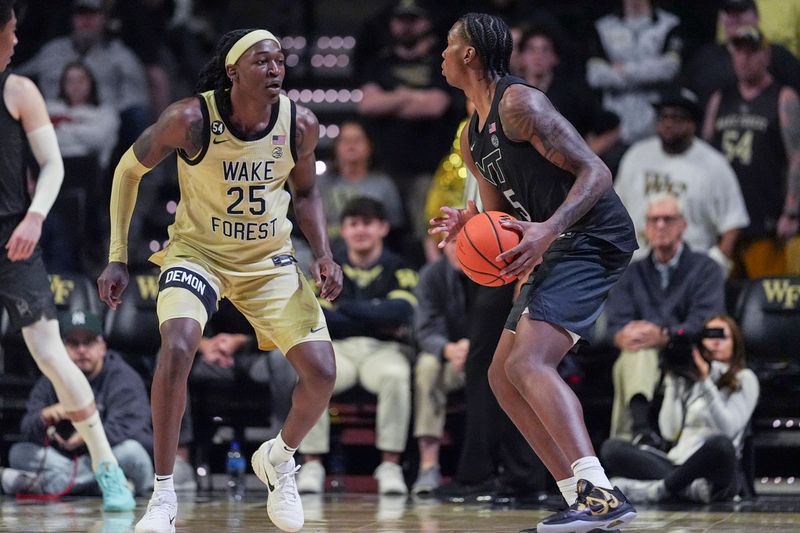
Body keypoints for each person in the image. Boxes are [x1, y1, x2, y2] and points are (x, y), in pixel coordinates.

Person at [97, 28, 343, 533]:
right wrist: (117, 255)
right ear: (233, 71)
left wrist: (324, 254)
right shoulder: (190, 119)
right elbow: (127, 170)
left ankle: (279, 457)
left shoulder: (301, 124)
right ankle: (163, 496)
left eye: (280, 61)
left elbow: (308, 194)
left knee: (321, 373)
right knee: (180, 344)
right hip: (198, 253)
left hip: (268, 260)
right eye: (262, 61)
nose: (275, 69)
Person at [435, 13, 639, 532]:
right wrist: (469, 223)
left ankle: (602, 497)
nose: (440, 53)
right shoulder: (470, 134)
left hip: (593, 235)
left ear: (469, 54)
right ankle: (580, 497)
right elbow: (498, 212)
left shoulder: (520, 104)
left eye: (448, 44)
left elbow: (597, 170)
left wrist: (549, 228)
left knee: (528, 363)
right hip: (556, 241)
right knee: (502, 376)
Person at [0, 1, 134, 512]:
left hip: (16, 235)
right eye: (11, 31)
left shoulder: (19, 89)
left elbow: (53, 165)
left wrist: (34, 217)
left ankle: (106, 469)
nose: (16, 41)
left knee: (52, 354)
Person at [296, 197, 417, 496]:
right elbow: (319, 317)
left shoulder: (398, 266)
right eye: (353, 224)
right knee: (313, 373)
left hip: (385, 349)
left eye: (368, 223)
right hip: (339, 348)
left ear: (383, 228)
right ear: (344, 230)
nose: (360, 230)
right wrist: (374, 312)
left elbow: (402, 312)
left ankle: (390, 465)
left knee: (396, 376)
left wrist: (346, 308)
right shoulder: (327, 267)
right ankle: (312, 463)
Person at [605, 194, 726, 441]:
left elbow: (707, 318)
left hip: (686, 352)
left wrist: (664, 335)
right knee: (637, 353)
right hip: (638, 354)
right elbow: (614, 324)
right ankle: (640, 434)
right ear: (646, 227)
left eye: (668, 219)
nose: (660, 226)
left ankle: (629, 440)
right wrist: (623, 336)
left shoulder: (706, 269)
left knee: (637, 354)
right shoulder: (630, 273)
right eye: (654, 220)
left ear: (683, 225)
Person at [602, 315, 760, 503]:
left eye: (722, 337)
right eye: (710, 336)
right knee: (611, 448)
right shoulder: (688, 379)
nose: (716, 342)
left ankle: (659, 489)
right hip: (677, 464)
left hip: (713, 467)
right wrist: (674, 383)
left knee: (721, 444)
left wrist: (705, 381)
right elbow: (670, 432)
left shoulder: (745, 378)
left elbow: (728, 429)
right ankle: (684, 488)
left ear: (735, 343)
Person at [2, 310, 153, 497]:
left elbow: (130, 427)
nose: (81, 350)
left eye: (88, 342)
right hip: (66, 459)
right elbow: (27, 427)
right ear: (61, 349)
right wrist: (44, 416)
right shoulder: (51, 378)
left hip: (112, 456)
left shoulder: (123, 377)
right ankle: (101, 486)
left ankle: (51, 485)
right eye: (73, 343)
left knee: (133, 452)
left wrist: (88, 436)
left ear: (102, 347)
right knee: (19, 453)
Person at [615, 87, 750, 273]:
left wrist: (715, 265)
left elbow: (733, 222)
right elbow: (616, 210)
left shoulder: (714, 165)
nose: (669, 124)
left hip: (690, 272)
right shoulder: (636, 156)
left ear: (693, 124)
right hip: (637, 268)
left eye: (677, 118)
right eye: (664, 117)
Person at [702, 25, 800, 277]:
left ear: (766, 55)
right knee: (721, 301)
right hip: (725, 221)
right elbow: (704, 156)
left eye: (752, 51)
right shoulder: (719, 99)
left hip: (766, 218)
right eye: (739, 51)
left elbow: (797, 157)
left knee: (767, 294)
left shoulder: (783, 98)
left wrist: (791, 211)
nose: (745, 57)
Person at [15, 0, 150, 147]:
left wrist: (109, 113)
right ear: (72, 19)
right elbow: (17, 77)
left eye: (92, 14)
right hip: (55, 118)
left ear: (104, 18)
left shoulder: (120, 55)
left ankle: (137, 169)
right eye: (81, 14)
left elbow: (136, 98)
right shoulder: (52, 51)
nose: (86, 20)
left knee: (136, 117)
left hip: (100, 120)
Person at [411, 237, 468, 495]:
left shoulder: (491, 271)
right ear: (444, 245)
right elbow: (424, 328)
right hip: (445, 355)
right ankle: (428, 465)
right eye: (454, 241)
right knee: (426, 367)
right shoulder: (431, 275)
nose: (459, 248)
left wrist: (473, 346)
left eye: (466, 240)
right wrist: (448, 349)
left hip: (480, 354)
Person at [586, 0, 683, 144]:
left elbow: (668, 70)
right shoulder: (603, 27)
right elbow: (596, 76)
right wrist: (648, 70)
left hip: (655, 127)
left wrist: (621, 69)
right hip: (615, 128)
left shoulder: (670, 24)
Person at [684, 0, 800, 109]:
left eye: (740, 12)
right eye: (728, 13)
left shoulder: (778, 55)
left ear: (757, 18)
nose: (733, 18)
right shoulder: (705, 57)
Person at [316, 120, 404, 247]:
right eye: (345, 140)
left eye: (357, 140)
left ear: (370, 146)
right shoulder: (320, 184)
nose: (351, 145)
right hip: (328, 253)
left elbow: (395, 228)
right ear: (335, 147)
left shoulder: (383, 185)